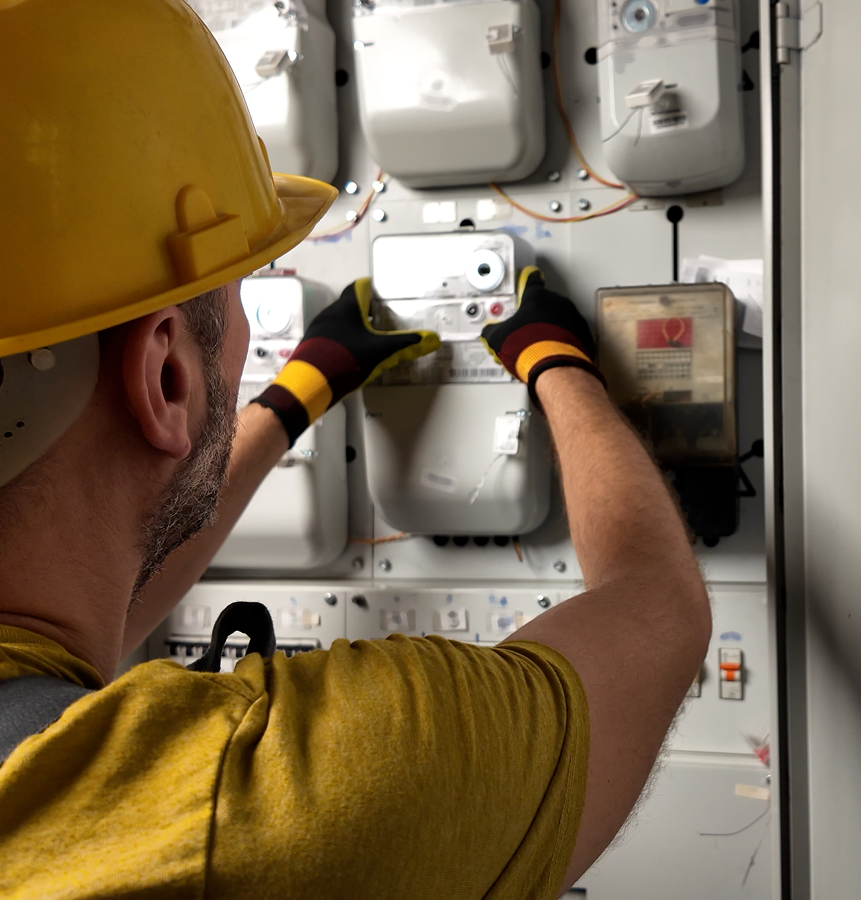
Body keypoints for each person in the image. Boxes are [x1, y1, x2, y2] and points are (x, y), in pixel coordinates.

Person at [0, 1, 711, 897]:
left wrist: (300, 392)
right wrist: (557, 360)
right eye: (238, 289)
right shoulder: (283, 798)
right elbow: (659, 610)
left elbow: (101, 562)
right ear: (168, 376)